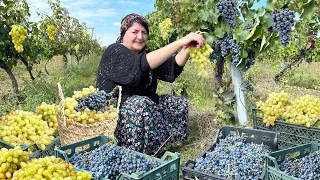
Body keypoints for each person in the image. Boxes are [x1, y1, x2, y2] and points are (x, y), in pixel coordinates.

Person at [96, 13, 205, 155]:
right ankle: (134, 152)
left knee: (177, 103)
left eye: (144, 33)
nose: (140, 37)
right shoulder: (114, 51)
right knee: (139, 104)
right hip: (115, 115)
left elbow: (170, 71)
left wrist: (187, 48)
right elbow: (137, 68)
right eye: (134, 32)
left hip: (143, 108)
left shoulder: (146, 54)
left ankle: (166, 145)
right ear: (124, 33)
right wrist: (180, 42)